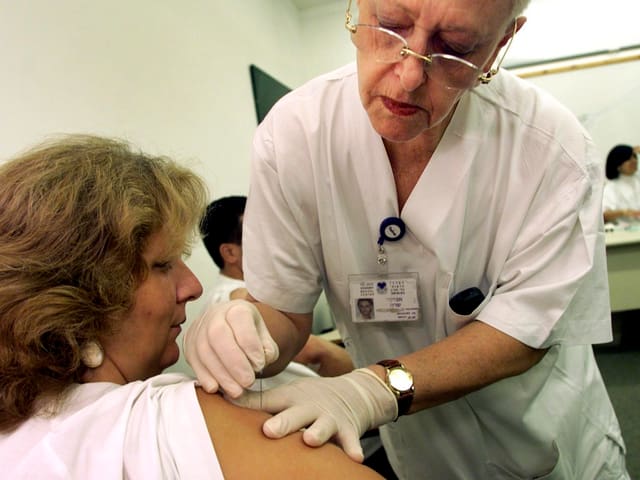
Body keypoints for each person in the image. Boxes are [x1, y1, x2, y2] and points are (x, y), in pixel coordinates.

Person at [184, 0, 630, 478]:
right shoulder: (296, 134)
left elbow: (525, 332)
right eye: (391, 26)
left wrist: (371, 390)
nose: (410, 74)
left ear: (501, 44)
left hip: (549, 441)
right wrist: (242, 329)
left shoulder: (552, 149)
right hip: (424, 455)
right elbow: (284, 315)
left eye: (455, 48)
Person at [0, 134, 384, 480]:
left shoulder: (18, 424)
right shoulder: (166, 422)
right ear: (81, 296)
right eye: (163, 265)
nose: (193, 286)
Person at [199, 195, 354, 378]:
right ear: (230, 252)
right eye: (259, 236)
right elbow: (313, 350)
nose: (272, 243)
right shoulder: (235, 297)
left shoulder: (225, 294)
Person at [602, 144, 640, 223]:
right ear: (618, 164)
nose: (634, 161)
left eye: (634, 157)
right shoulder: (611, 187)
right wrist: (623, 212)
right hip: (622, 232)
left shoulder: (637, 181)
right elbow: (604, 215)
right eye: (629, 158)